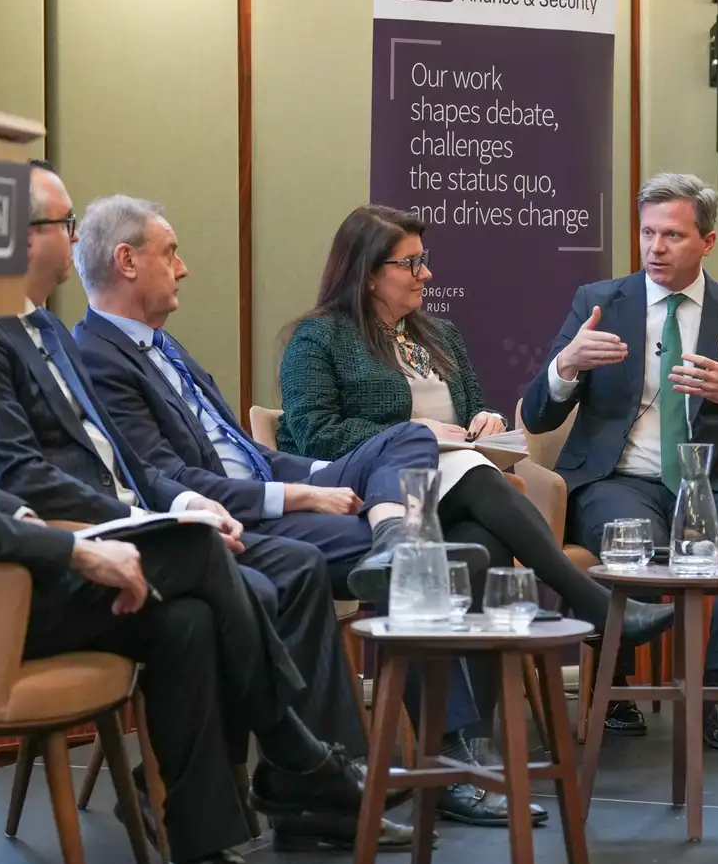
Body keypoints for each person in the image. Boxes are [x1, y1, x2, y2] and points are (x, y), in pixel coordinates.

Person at [66, 192, 516, 827]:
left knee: (410, 441)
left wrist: (307, 477)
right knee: (416, 557)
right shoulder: (97, 357)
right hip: (226, 521)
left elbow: (243, 453)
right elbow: (167, 481)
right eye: (171, 253)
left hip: (273, 493)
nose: (184, 267)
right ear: (127, 261)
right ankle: (403, 765)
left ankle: (394, 536)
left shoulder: (165, 348)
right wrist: (300, 493)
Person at [0, 161, 373, 820]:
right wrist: (144, 517)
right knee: (221, 568)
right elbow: (18, 476)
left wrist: (183, 504)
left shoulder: (47, 331)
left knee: (255, 582)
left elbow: (127, 460)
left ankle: (208, 842)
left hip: (136, 528)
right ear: (20, 237)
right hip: (61, 557)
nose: (76, 239)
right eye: (65, 223)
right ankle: (300, 757)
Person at [277, 202, 675, 815]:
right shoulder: (319, 338)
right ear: (368, 272)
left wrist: (483, 421)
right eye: (411, 264)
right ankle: (590, 604)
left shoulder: (439, 335)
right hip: (371, 502)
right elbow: (313, 435)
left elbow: (469, 415)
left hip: (453, 487)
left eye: (425, 260)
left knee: (481, 544)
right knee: (470, 490)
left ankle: (471, 752)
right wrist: (414, 435)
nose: (427, 274)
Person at [0, 479, 388, 864]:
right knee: (199, 547)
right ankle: (297, 755)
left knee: (187, 621)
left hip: (25, 565)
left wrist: (23, 515)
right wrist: (73, 548)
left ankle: (199, 858)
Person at [522, 171, 718, 752]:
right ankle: (616, 684)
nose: (655, 248)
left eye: (672, 235)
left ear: (707, 242)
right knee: (631, 535)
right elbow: (538, 416)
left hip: (711, 479)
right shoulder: (598, 303)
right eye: (647, 233)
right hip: (617, 478)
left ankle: (713, 693)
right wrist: (566, 366)